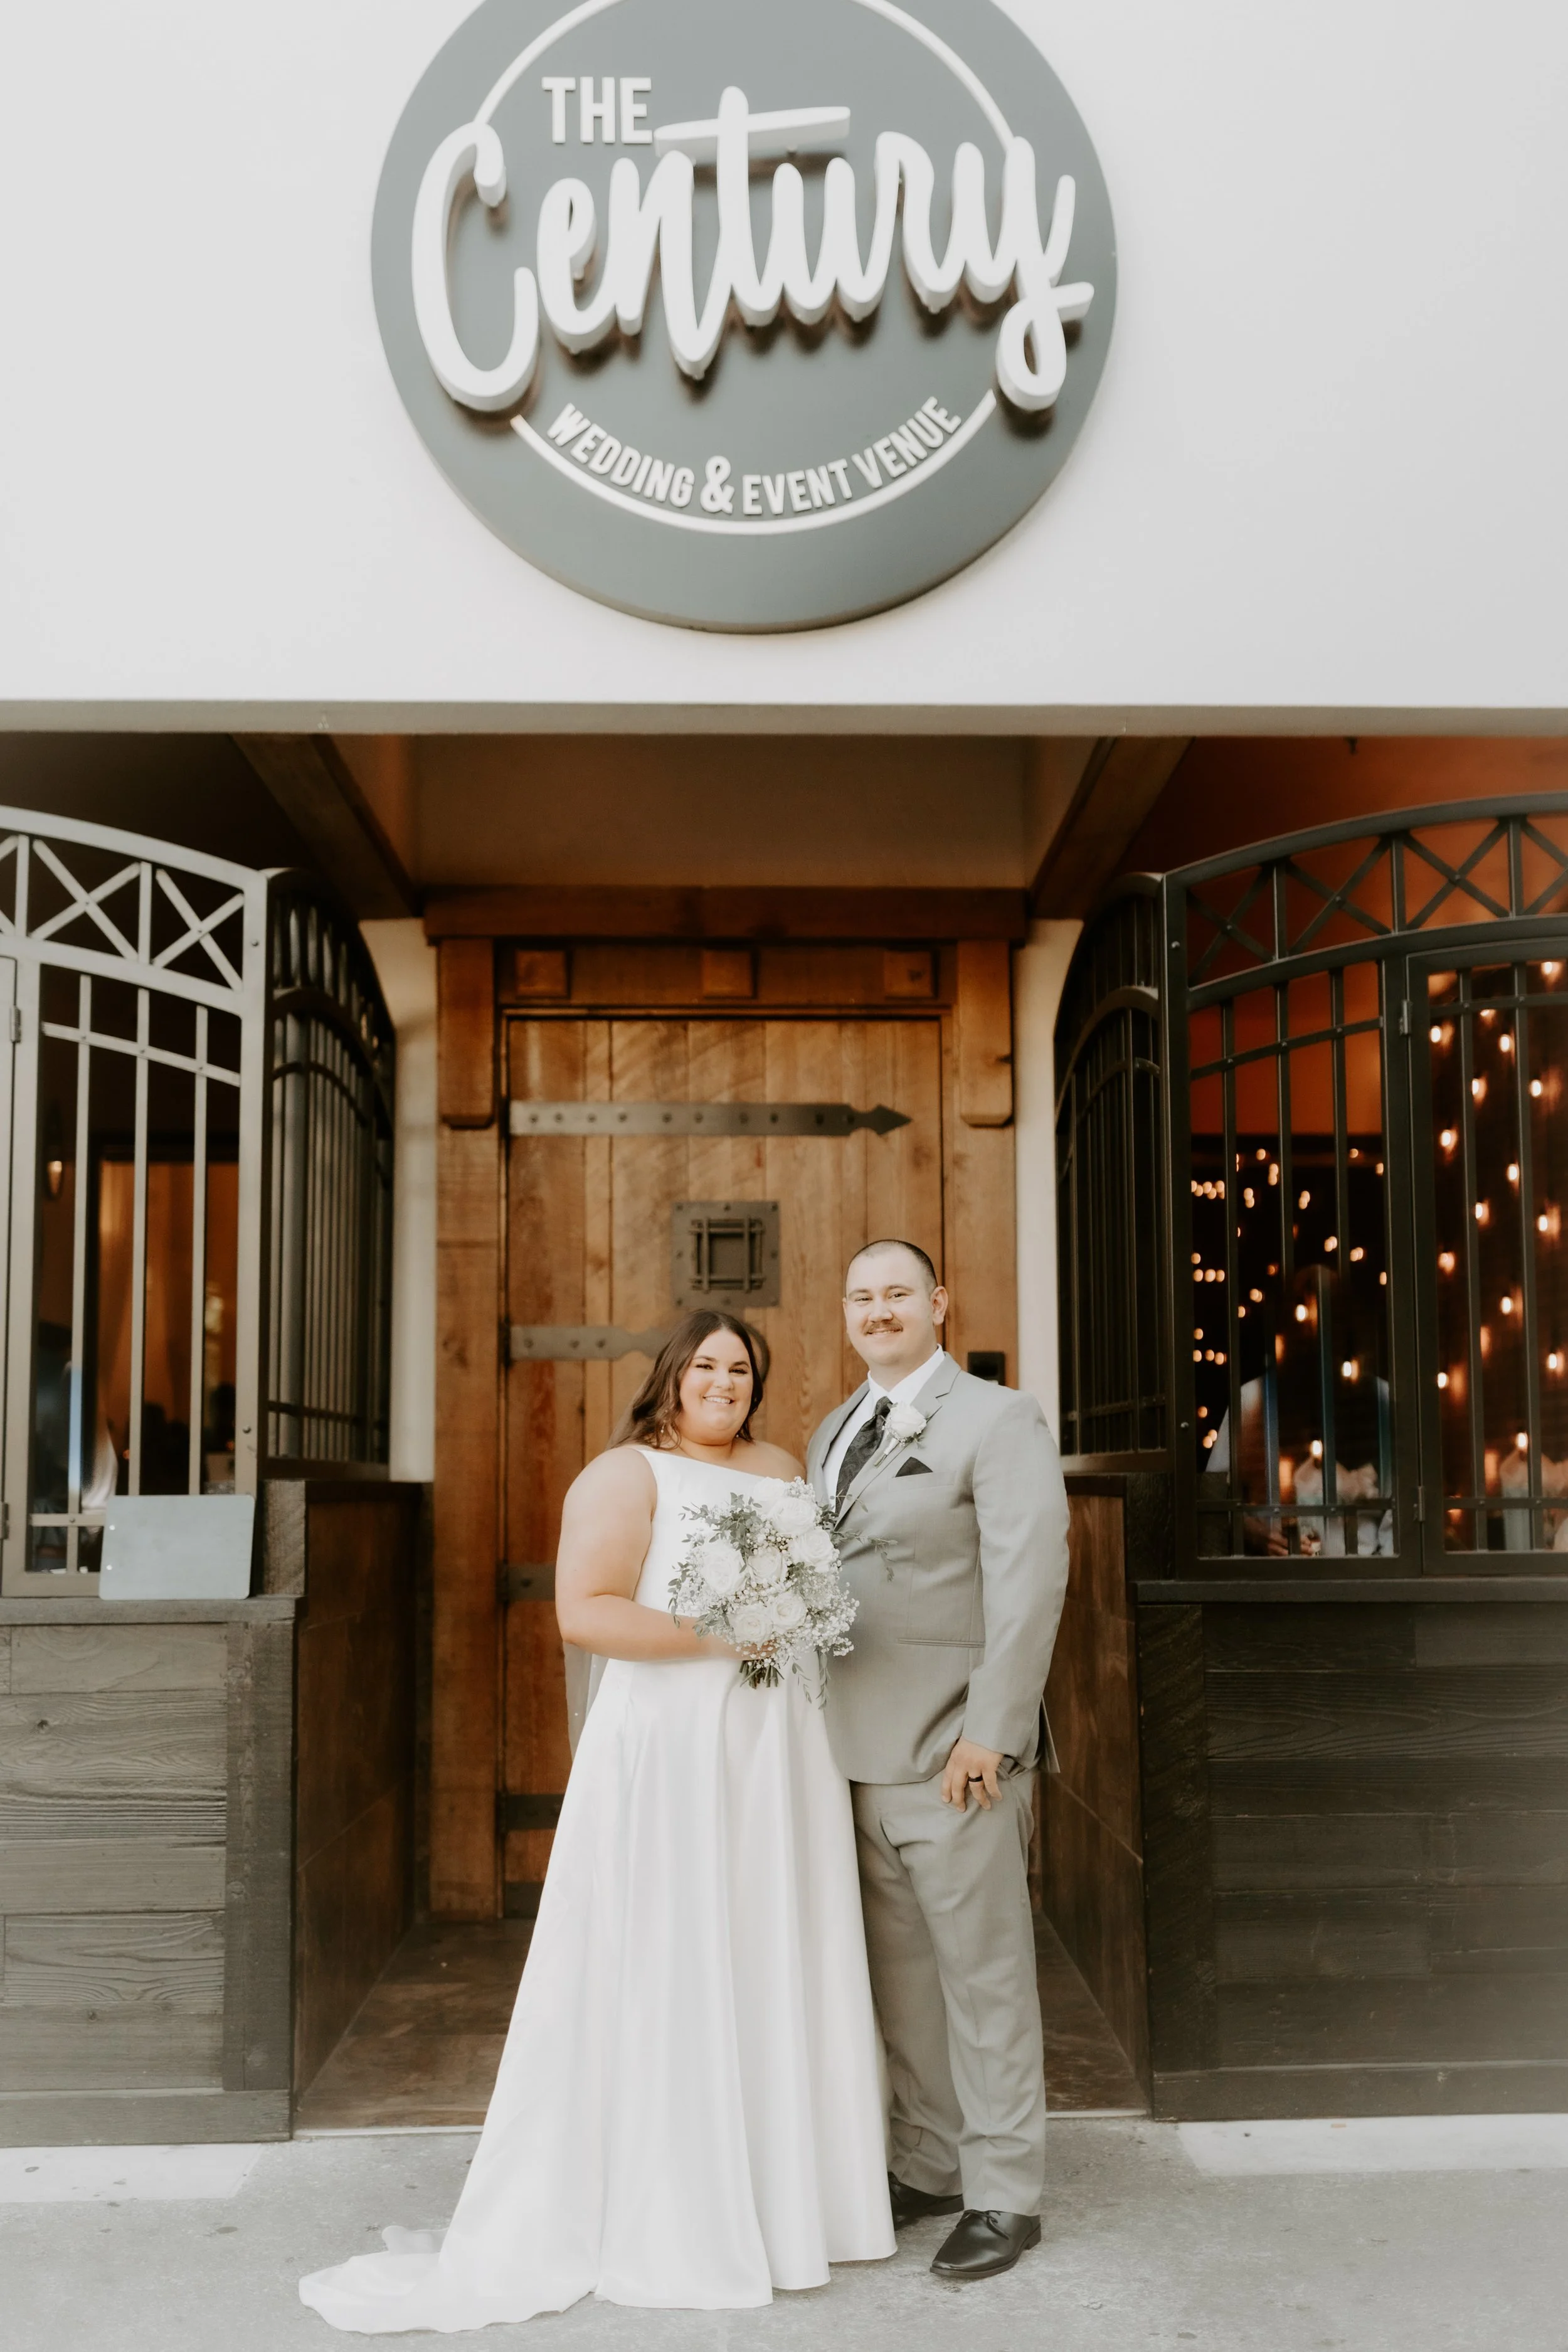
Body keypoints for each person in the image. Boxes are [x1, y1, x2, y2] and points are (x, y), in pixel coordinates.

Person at [299, 1310, 894, 2333]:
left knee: (768, 1944)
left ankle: (788, 2200)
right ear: (669, 1376)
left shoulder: (784, 1462)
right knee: (673, 1952)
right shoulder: (625, 1474)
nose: (724, 1380)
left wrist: (784, 1618)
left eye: (741, 1368)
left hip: (771, 1748)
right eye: (705, 1364)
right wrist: (724, 1629)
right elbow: (585, 1611)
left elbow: (806, 1591)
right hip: (671, 1744)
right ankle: (674, 2205)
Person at [807, 1241, 1070, 2283]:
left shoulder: (997, 1418)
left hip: (955, 1751)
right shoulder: (833, 1427)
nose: (878, 1311)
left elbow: (1030, 1582)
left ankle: (1006, 2193)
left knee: (985, 1978)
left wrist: (991, 1731)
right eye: (861, 1295)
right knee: (904, 1983)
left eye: (897, 1294)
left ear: (938, 1304)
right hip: (854, 1754)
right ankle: (925, 2161)